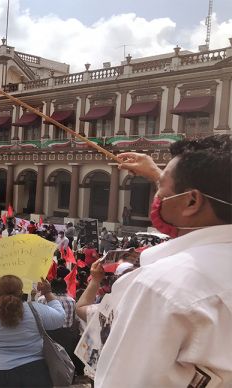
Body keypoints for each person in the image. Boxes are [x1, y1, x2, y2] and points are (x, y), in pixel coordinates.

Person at [87, 135, 232, 386]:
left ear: (191, 200)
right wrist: (158, 174)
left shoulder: (162, 286)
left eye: (162, 186)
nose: (158, 196)